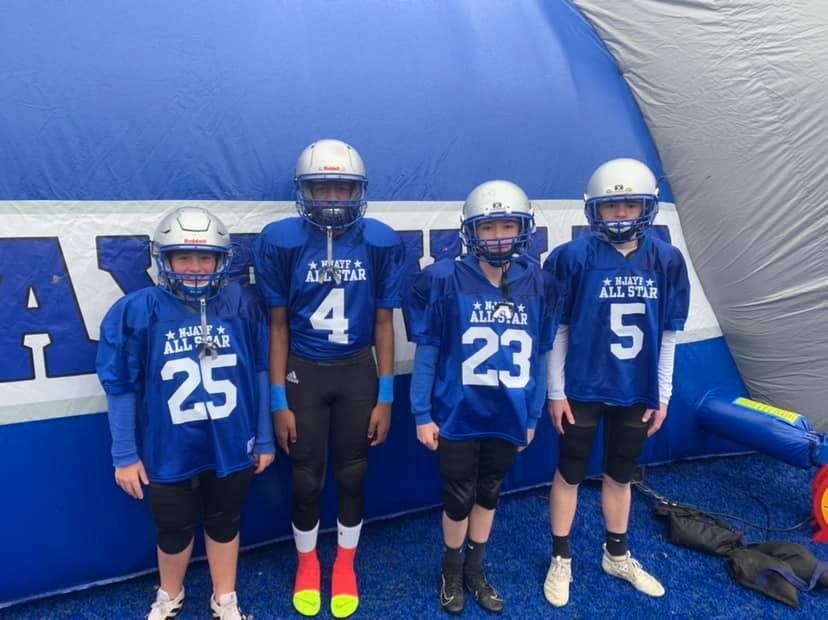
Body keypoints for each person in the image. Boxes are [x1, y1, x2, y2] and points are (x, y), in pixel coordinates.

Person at [96, 206, 276, 620]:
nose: (195, 267)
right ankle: (169, 594)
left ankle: (224, 598)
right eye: (184, 257)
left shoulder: (241, 304)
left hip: (232, 439)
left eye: (205, 258)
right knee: (172, 530)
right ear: (165, 259)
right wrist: (124, 453)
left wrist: (263, 436)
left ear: (221, 260)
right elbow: (120, 385)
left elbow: (262, 371)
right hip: (169, 443)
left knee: (225, 521)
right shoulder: (140, 310)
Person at [253, 139, 405, 618]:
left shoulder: (378, 241)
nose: (334, 199)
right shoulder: (283, 241)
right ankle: (306, 563)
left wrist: (386, 395)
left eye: (343, 188)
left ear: (358, 191)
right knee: (304, 477)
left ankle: (344, 562)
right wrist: (278, 398)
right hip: (305, 370)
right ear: (304, 192)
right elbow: (276, 325)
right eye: (323, 188)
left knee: (354, 473)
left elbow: (384, 324)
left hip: (358, 369)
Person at [403, 180, 559, 614]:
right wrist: (420, 412)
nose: (499, 237)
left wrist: (532, 415)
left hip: (508, 410)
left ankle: (476, 566)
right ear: (471, 232)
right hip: (457, 410)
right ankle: (451, 568)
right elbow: (429, 351)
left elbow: (541, 355)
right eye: (489, 228)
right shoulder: (446, 279)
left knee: (489, 491)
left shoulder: (540, 283)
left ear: (524, 228)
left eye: (508, 225)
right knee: (458, 494)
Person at [541, 158, 690, 607]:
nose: (621, 214)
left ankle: (616, 554)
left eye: (630, 204)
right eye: (612, 206)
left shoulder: (665, 259)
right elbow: (559, 329)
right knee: (568, 472)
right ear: (594, 211)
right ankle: (561, 557)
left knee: (620, 475)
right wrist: (555, 390)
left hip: (635, 388)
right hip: (583, 386)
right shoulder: (573, 257)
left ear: (648, 206)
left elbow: (668, 333)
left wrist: (662, 393)